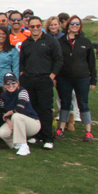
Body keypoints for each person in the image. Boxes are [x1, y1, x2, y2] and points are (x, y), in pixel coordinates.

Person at [20, 16, 63, 150]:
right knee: (33, 109)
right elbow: (21, 62)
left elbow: (59, 60)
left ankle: (48, 137)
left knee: (45, 109)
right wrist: (22, 74)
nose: (35, 28)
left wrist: (51, 76)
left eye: (38, 26)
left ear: (41, 26)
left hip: (44, 80)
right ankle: (37, 135)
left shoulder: (50, 41)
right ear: (29, 27)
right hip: (29, 80)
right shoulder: (26, 42)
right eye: (32, 26)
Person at [54, 15, 97, 142]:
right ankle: (61, 129)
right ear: (68, 26)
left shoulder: (86, 42)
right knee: (65, 103)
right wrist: (55, 76)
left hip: (82, 78)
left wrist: (93, 79)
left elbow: (92, 63)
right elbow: (57, 60)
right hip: (64, 78)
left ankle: (88, 131)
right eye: (72, 23)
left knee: (83, 103)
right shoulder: (60, 41)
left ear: (80, 26)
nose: (75, 26)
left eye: (77, 24)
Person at [0, 73, 41, 156]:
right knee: (2, 132)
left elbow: (19, 109)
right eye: (7, 83)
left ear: (17, 83)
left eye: (13, 82)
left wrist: (10, 113)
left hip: (32, 123)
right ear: (4, 85)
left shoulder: (23, 91)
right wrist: (8, 120)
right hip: (15, 122)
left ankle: (24, 145)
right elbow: (3, 112)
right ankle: (16, 144)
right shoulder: (3, 96)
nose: (11, 85)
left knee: (16, 116)